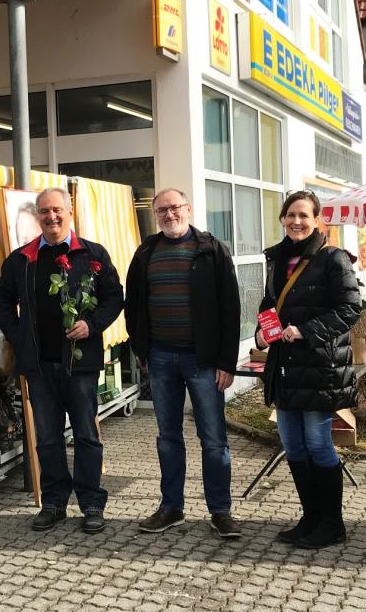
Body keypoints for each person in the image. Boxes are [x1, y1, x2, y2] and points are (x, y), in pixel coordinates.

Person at [0, 187, 123, 534]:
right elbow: (1, 298)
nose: (51, 217)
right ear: (38, 216)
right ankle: (53, 502)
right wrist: (16, 333)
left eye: (57, 210)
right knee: (47, 438)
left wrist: (92, 325)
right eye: (45, 211)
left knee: (86, 436)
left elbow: (114, 296)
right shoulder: (21, 259)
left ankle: (92, 502)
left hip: (80, 365)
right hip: (38, 365)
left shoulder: (92, 254)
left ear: (70, 211)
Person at [125, 188, 242, 539]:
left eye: (174, 208)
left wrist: (226, 361)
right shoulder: (146, 251)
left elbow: (230, 309)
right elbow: (133, 305)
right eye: (161, 210)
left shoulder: (211, 250)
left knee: (214, 440)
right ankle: (171, 507)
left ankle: (220, 511)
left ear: (188, 209)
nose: (168, 214)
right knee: (168, 438)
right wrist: (141, 349)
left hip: (204, 362)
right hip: (160, 358)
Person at [254, 190, 361, 549]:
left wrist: (306, 330)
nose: (296, 222)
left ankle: (332, 524)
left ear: (317, 220)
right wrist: (262, 330)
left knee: (317, 444)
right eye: (290, 215)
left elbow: (350, 310)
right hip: (284, 366)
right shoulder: (276, 258)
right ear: (283, 219)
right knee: (293, 445)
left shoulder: (333, 258)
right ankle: (310, 517)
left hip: (319, 366)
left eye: (304, 215)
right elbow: (270, 304)